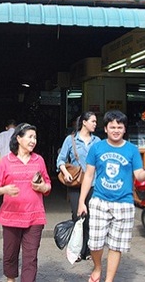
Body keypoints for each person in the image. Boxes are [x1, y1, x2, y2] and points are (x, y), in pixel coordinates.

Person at [78, 110, 145, 282]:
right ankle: (97, 267)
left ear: (124, 129)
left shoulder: (132, 150)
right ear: (106, 129)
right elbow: (88, 175)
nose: (116, 130)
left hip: (124, 203)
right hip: (99, 201)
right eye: (112, 127)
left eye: (119, 127)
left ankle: (109, 279)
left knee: (116, 246)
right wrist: (82, 201)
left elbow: (138, 175)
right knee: (94, 242)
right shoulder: (97, 147)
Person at [0, 123, 51, 282]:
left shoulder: (39, 160)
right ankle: (11, 279)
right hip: (11, 216)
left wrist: (43, 186)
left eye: (35, 137)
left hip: (34, 216)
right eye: (30, 137)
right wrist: (4, 190)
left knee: (31, 257)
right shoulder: (5, 161)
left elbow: (48, 185)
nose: (33, 141)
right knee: (10, 254)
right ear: (18, 138)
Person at [56, 111, 100, 262]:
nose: (95, 124)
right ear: (84, 122)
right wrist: (65, 172)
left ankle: (87, 250)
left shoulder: (97, 141)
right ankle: (77, 248)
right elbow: (61, 159)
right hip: (76, 184)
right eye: (93, 121)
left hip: (94, 185)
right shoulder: (71, 140)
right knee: (77, 216)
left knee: (90, 219)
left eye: (95, 121)